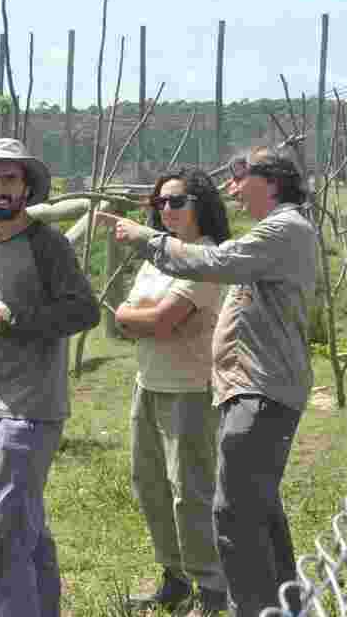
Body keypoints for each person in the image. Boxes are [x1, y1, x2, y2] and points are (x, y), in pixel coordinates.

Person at [96, 146, 316, 617]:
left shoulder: (281, 229)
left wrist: (141, 238)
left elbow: (168, 305)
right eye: (159, 206)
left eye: (241, 178)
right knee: (254, 508)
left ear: (272, 180)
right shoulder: (276, 231)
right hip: (246, 387)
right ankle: (281, 605)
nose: (233, 188)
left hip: (258, 388)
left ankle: (245, 604)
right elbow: (127, 319)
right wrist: (137, 312)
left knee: (232, 510)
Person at [0, 137, 100, 617]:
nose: (0, 187)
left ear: (26, 187)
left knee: (3, 532)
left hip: (30, 410)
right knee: (24, 528)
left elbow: (83, 311)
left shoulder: (47, 245)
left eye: (9, 178)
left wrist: (12, 318)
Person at [117, 169, 230, 616]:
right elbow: (122, 317)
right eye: (160, 203)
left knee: (191, 494)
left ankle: (211, 588)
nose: (166, 210)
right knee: (150, 486)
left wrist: (144, 318)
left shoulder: (205, 258)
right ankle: (175, 578)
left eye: (176, 201)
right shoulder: (157, 257)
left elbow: (160, 320)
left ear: (200, 204)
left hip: (190, 390)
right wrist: (146, 318)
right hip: (147, 384)